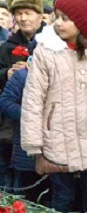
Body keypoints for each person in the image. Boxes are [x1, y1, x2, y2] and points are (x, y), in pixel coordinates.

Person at [21, 0, 87, 213]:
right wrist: (35, 148)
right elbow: (33, 100)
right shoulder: (47, 52)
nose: (58, 23)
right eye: (57, 16)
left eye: (66, 18)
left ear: (83, 23)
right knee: (62, 198)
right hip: (58, 140)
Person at [0, 0, 44, 192]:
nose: (23, 18)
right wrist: (6, 74)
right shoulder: (6, 46)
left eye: (28, 13)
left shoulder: (51, 42)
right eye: (19, 14)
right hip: (11, 122)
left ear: (40, 16)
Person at [0, 44, 51, 205]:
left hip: (56, 151)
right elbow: (6, 102)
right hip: (25, 150)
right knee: (22, 201)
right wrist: (32, 116)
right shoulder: (23, 75)